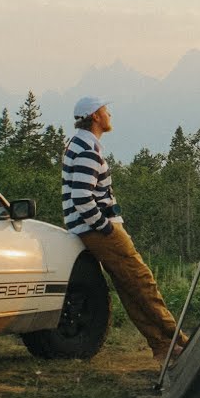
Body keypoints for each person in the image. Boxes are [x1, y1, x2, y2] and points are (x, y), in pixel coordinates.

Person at [62, 96, 188, 362]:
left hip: (92, 227)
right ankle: (179, 339)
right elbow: (81, 197)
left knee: (129, 287)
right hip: (98, 229)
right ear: (95, 116)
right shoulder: (87, 149)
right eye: (105, 110)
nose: (109, 114)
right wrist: (105, 227)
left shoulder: (79, 144)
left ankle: (162, 346)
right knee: (142, 281)